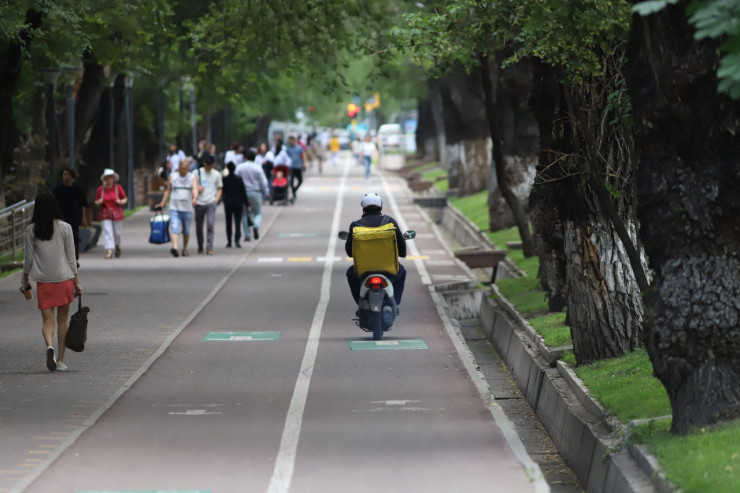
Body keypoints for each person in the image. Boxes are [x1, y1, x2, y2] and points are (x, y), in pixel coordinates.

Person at [22, 192, 82, 372]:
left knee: (48, 321)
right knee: (62, 320)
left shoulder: (31, 230)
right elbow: (71, 258)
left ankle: (50, 346)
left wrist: (25, 278)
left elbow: (28, 259)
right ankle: (61, 360)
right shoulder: (65, 227)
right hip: (64, 279)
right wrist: (77, 281)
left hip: (44, 282)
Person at [344, 192, 407, 307]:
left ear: (363, 207)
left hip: (363, 272)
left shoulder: (355, 225)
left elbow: (349, 252)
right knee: (402, 271)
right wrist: (402, 253)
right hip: (389, 270)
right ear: (380, 206)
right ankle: (396, 302)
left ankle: (360, 303)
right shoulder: (390, 222)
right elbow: (402, 249)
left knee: (350, 273)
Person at [158, 158, 198, 257]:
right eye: (182, 167)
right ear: (179, 167)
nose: (183, 169)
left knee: (186, 230)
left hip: (187, 208)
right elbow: (168, 190)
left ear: (188, 168)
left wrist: (195, 198)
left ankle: (184, 248)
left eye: (185, 167)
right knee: (174, 227)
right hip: (174, 206)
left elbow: (195, 188)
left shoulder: (192, 177)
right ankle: (175, 247)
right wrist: (162, 203)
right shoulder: (173, 176)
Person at [52, 168, 89, 261]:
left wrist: (84, 218)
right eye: (65, 174)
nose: (66, 176)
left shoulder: (77, 189)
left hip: (74, 217)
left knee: (74, 238)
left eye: (68, 174)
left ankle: (74, 258)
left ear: (72, 176)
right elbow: (53, 204)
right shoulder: (57, 190)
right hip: (61, 217)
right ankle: (63, 259)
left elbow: (83, 204)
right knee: (61, 239)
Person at [234, 150, 269, 241]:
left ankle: (247, 235)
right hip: (255, 192)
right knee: (258, 213)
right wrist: (266, 191)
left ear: (246, 157)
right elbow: (264, 182)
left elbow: (236, 178)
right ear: (255, 158)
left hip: (243, 193)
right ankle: (256, 226)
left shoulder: (240, 167)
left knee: (244, 214)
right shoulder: (258, 168)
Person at [94, 168, 127, 259]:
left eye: (110, 177)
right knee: (107, 232)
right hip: (105, 213)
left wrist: (121, 202)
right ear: (104, 179)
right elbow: (96, 201)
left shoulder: (118, 188)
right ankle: (109, 251)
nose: (109, 180)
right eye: (107, 178)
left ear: (113, 178)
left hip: (117, 213)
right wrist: (99, 202)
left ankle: (117, 245)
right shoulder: (101, 189)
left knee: (117, 233)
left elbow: (125, 198)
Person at [193, 153, 223, 255]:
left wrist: (216, 199)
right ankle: (200, 243)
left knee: (210, 224)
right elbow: (192, 186)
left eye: (211, 165)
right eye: (207, 165)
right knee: (199, 226)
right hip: (199, 202)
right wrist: (197, 189)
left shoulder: (216, 174)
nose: (209, 167)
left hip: (211, 202)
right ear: (204, 164)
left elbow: (219, 188)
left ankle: (209, 246)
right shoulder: (197, 173)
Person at [222, 161, 249, 248]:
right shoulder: (239, 179)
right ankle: (237, 240)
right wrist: (247, 204)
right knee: (237, 222)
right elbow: (243, 192)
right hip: (238, 203)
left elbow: (223, 191)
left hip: (228, 203)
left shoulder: (225, 179)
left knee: (228, 222)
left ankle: (229, 241)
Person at [285, 135, 306, 201]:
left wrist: (304, 163)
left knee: (300, 180)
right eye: (290, 141)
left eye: (292, 141)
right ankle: (293, 193)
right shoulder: (288, 148)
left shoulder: (299, 147)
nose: (291, 142)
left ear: (294, 141)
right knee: (291, 181)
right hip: (291, 167)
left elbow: (303, 155)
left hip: (298, 166)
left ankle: (294, 189)